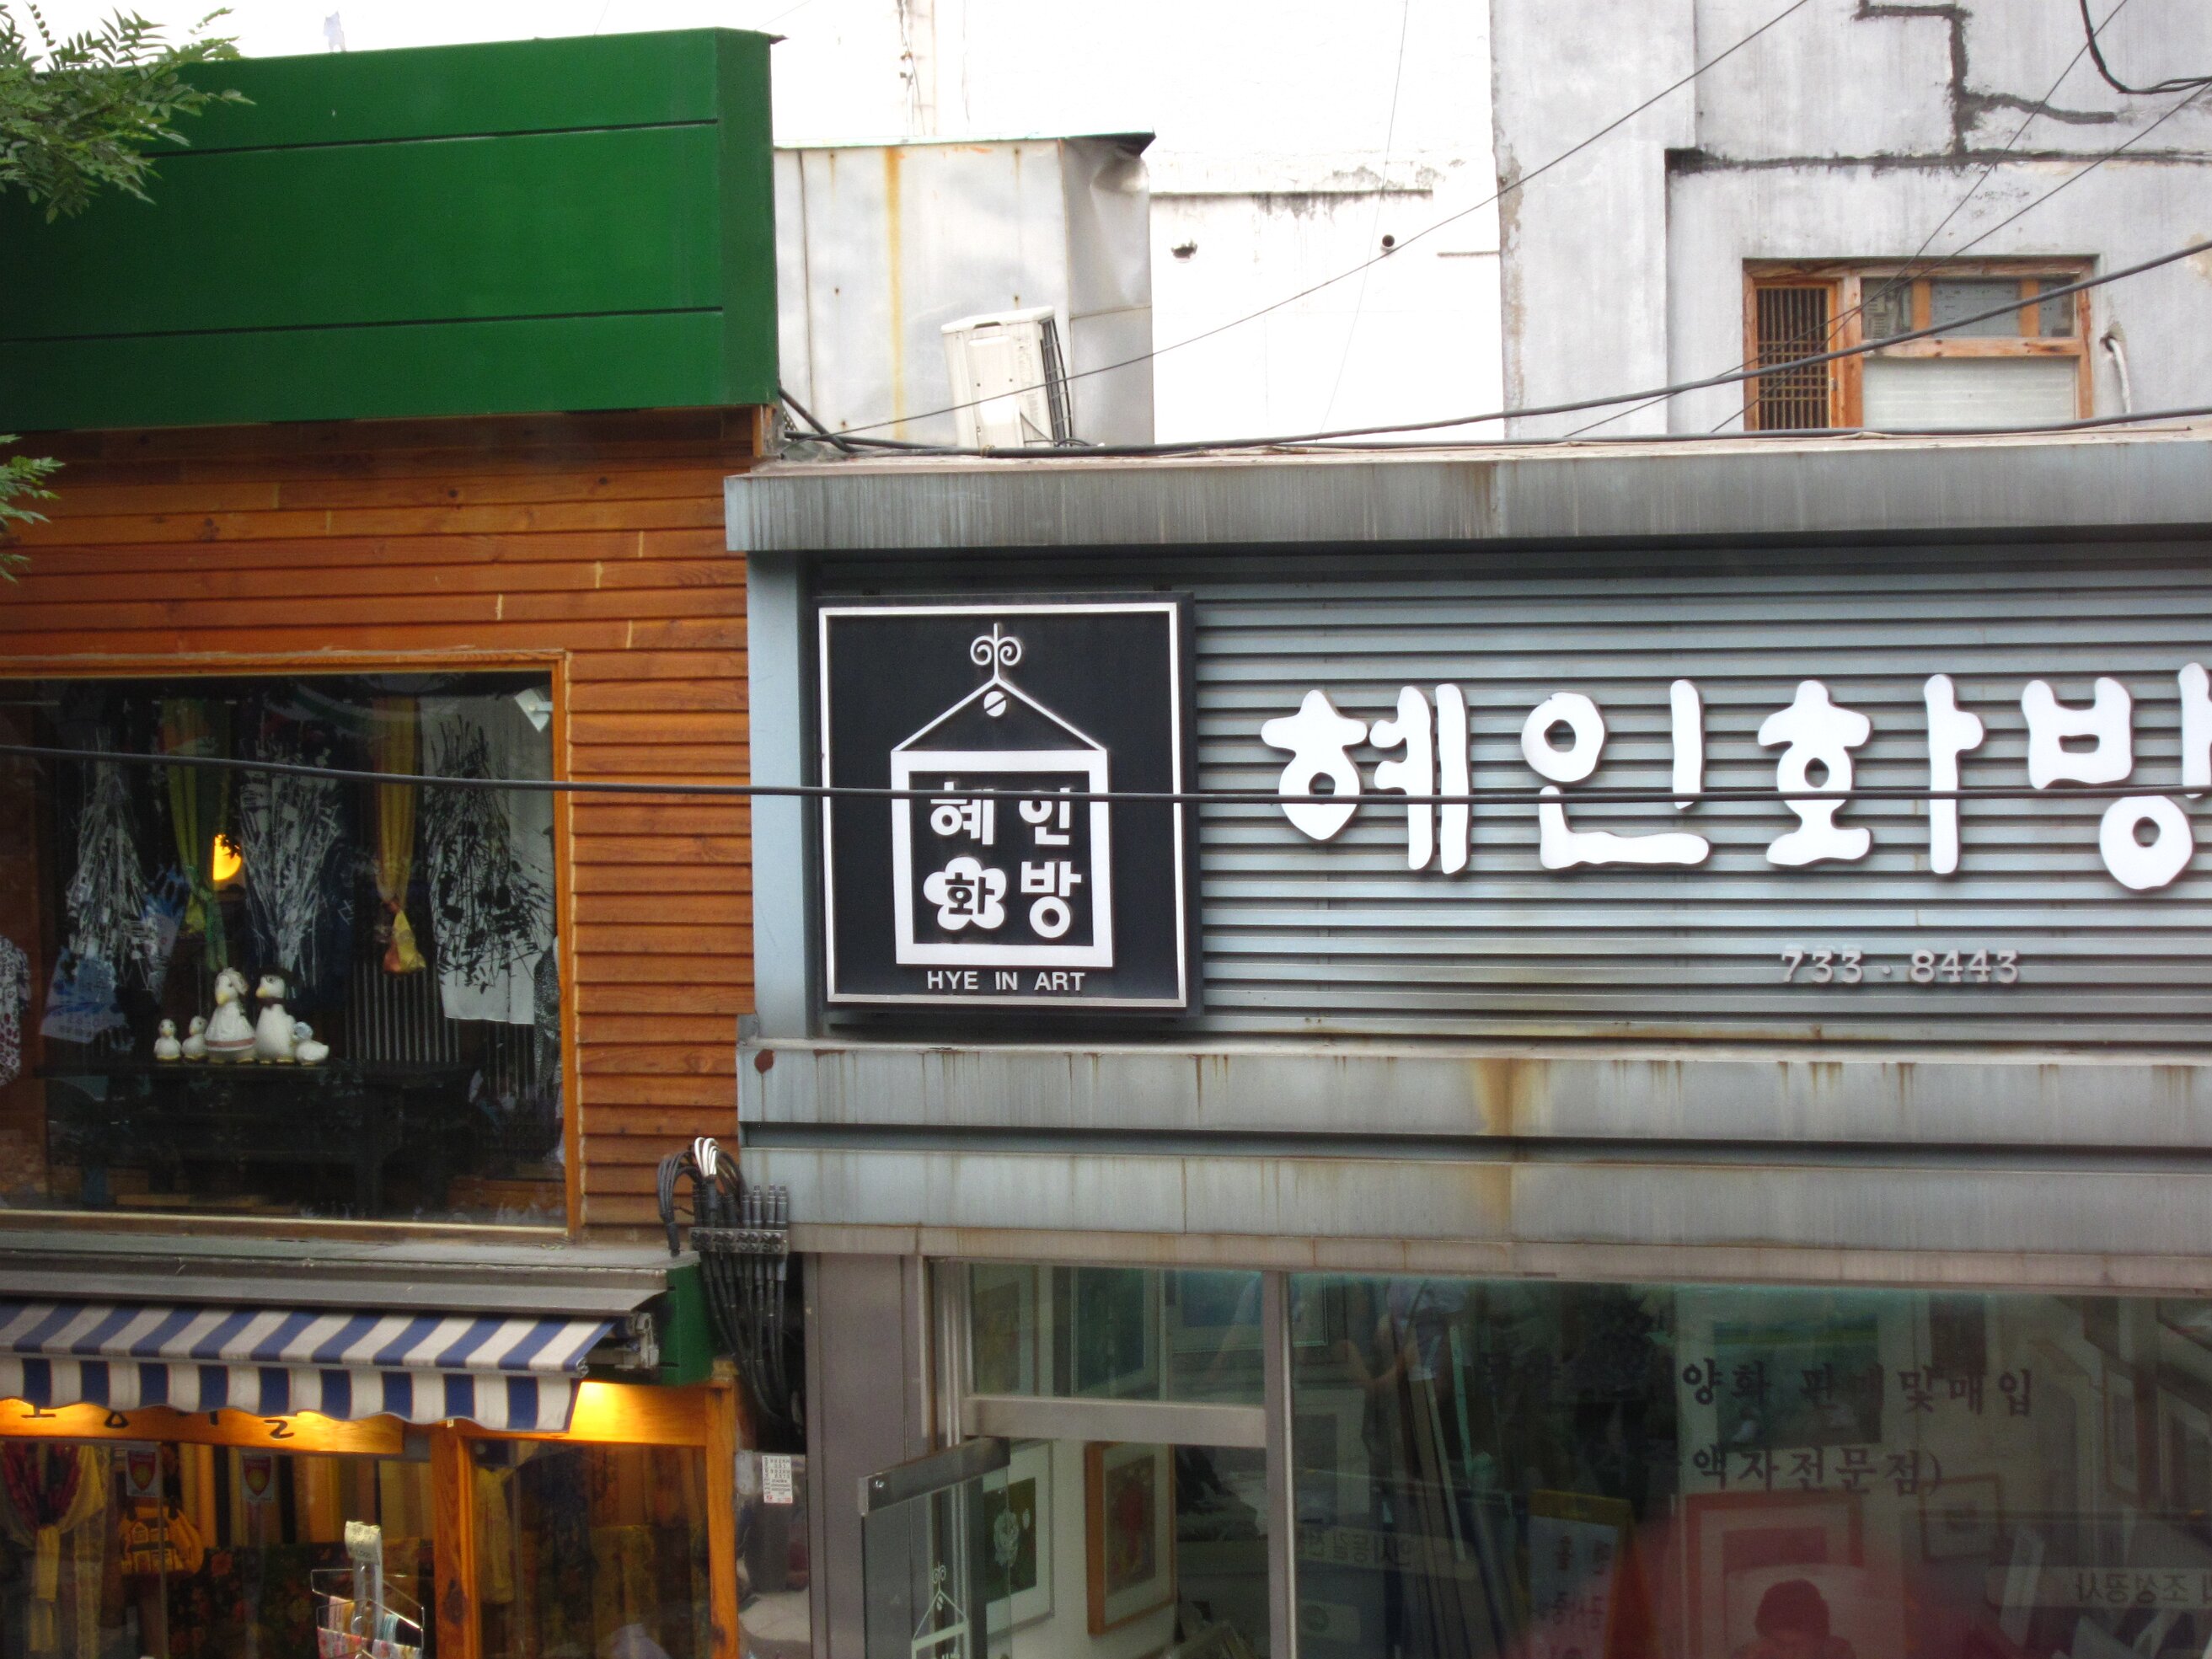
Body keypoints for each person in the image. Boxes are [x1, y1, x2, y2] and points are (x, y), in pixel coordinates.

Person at [1734, 1579, 1856, 1659]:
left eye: (1798, 1645)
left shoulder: (1838, 1652)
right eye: (1780, 1644)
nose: (1789, 1656)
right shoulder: (1751, 1654)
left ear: (1818, 1641)